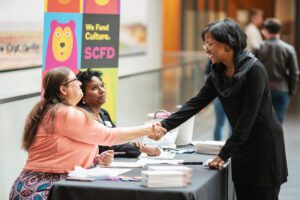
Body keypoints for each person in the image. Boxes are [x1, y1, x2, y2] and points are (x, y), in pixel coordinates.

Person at [160, 19, 288, 200]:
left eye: (210, 43)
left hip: (263, 147)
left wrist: (223, 154)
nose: (206, 48)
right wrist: (163, 126)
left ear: (228, 45)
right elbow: (195, 103)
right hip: (241, 145)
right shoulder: (217, 73)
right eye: (205, 43)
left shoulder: (254, 70)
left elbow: (247, 117)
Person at [9, 67, 166, 200]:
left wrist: (94, 160)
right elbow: (109, 136)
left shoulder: (52, 110)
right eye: (75, 81)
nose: (79, 83)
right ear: (63, 89)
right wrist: (149, 129)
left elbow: (58, 152)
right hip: (45, 190)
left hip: (39, 186)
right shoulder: (63, 113)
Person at [77, 68, 161, 158]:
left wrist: (134, 143)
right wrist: (138, 148)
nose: (102, 90)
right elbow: (103, 146)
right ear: (82, 95)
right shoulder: (82, 116)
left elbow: (117, 138)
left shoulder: (103, 113)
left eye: (102, 86)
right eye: (94, 88)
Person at [253, 18, 299, 123]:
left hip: (262, 90)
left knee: (261, 123)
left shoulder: (258, 47)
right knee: (278, 123)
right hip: (282, 89)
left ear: (265, 31)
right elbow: (294, 73)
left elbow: (251, 71)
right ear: (280, 30)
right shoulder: (288, 49)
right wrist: (291, 91)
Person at [205, 60, 231, 141]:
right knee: (229, 125)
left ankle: (221, 147)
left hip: (220, 95)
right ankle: (226, 149)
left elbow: (207, 72)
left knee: (220, 124)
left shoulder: (215, 59)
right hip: (222, 96)